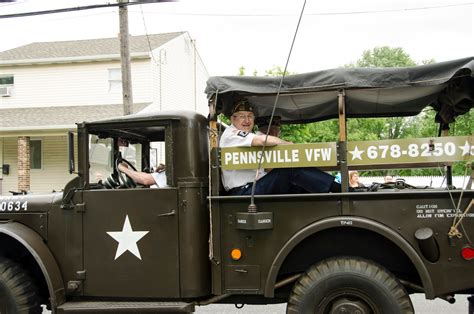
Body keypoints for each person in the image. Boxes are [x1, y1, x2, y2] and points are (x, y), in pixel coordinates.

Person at [219, 97, 341, 195]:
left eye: (250, 116)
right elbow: (262, 141)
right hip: (243, 191)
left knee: (299, 185)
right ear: (232, 119)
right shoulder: (232, 134)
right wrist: (288, 145)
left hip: (253, 187)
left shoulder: (244, 137)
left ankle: (331, 196)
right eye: (242, 116)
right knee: (290, 168)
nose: (247, 120)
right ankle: (340, 190)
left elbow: (266, 168)